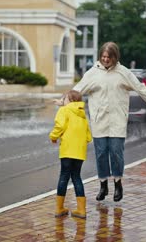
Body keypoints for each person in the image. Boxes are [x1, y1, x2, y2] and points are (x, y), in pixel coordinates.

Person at [70, 42, 146, 202]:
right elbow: (77, 90)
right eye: (103, 56)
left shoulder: (123, 73)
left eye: (109, 57)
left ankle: (117, 183)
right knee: (101, 154)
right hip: (99, 120)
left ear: (115, 57)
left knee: (116, 153)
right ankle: (103, 185)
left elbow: (139, 87)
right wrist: (63, 101)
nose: (105, 59)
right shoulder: (92, 73)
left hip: (117, 120)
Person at [50, 90, 92, 218]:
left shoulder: (64, 110)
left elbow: (60, 125)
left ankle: (59, 208)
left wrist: (53, 136)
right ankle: (81, 210)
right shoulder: (82, 114)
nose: (63, 101)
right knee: (76, 177)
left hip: (67, 150)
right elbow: (89, 137)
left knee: (64, 177)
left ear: (71, 100)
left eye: (65, 99)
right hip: (79, 152)